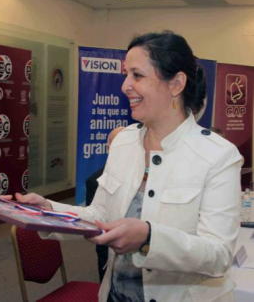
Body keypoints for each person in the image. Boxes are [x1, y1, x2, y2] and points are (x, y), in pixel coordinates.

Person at [18, 31, 243, 302]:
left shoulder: (218, 156)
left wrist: (149, 238)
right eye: (126, 75)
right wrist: (50, 211)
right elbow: (100, 214)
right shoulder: (123, 141)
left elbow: (218, 255)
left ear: (176, 84)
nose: (125, 86)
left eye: (137, 75)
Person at [85, 126, 124, 283]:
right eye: (116, 145)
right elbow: (94, 222)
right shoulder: (95, 181)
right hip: (108, 251)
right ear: (108, 148)